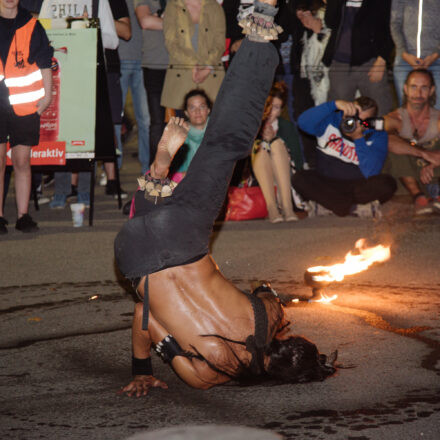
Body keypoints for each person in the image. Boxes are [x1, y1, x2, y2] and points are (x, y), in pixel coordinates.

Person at [115, 0, 336, 395]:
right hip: (134, 254)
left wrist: (275, 312)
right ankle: (155, 182)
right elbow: (144, 318)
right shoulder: (205, 376)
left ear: (282, 343)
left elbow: (269, 296)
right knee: (152, 267)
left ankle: (259, 26)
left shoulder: (263, 323)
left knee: (224, 145)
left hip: (183, 235)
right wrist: (141, 371)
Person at [291, 97, 396, 217]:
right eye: (354, 117)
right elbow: (302, 123)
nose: (355, 124)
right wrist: (334, 105)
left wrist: (359, 138)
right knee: (299, 178)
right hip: (326, 182)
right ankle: (354, 208)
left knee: (388, 183)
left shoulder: (378, 135)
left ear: (371, 121)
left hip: (357, 186)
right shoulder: (332, 120)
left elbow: (371, 171)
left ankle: (329, 205)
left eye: (363, 120)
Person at [0, 0, 53, 234]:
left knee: (22, 161)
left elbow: (45, 62)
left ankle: (23, 215)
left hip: (23, 104)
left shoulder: (32, 24)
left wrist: (48, 95)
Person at [322, 0, 394, 116]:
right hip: (340, 62)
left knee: (380, 110)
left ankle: (376, 134)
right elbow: (330, 22)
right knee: (338, 113)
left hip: (371, 61)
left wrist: (382, 59)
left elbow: (391, 27)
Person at [385, 69, 440, 215]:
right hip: (407, 177)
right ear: (405, 89)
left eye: (424, 87)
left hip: (433, 174)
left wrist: (434, 161)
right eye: (414, 87)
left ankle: (436, 195)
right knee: (394, 144)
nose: (418, 93)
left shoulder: (438, 119)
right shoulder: (394, 118)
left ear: (431, 91)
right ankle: (419, 198)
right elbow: (388, 142)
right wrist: (424, 154)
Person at [251, 81, 303, 223]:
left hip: (286, 181)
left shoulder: (286, 127)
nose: (271, 112)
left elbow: (298, 162)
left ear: (280, 111)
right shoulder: (250, 127)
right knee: (260, 147)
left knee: (276, 144)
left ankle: (287, 208)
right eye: (268, 106)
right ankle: (272, 208)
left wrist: (273, 139)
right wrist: (262, 138)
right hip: (259, 181)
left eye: (276, 108)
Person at [160, 0, 226, 111]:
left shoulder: (214, 6)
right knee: (180, 126)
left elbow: (220, 44)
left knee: (214, 126)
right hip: (182, 78)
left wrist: (207, 68)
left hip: (211, 78)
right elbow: (171, 43)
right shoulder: (173, 6)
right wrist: (192, 65)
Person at [117, 0, 150, 175]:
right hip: (118, 59)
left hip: (144, 58)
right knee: (116, 119)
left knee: (145, 119)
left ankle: (148, 170)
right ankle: (114, 172)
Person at [135, 0, 168, 163]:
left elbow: (190, 22)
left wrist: (159, 17)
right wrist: (174, 21)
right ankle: (155, 173)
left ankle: (182, 170)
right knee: (156, 123)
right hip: (153, 65)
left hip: (180, 64)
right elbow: (145, 22)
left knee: (183, 121)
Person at [391, 0, 440, 109]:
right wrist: (403, 52)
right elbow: (395, 23)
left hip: (436, 61)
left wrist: (436, 54)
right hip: (405, 60)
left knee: (437, 108)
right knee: (406, 110)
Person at [169, 89, 211, 183]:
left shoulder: (218, 131)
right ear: (186, 112)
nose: (197, 111)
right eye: (192, 108)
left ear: (208, 110)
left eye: (202, 107)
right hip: (183, 182)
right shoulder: (178, 133)